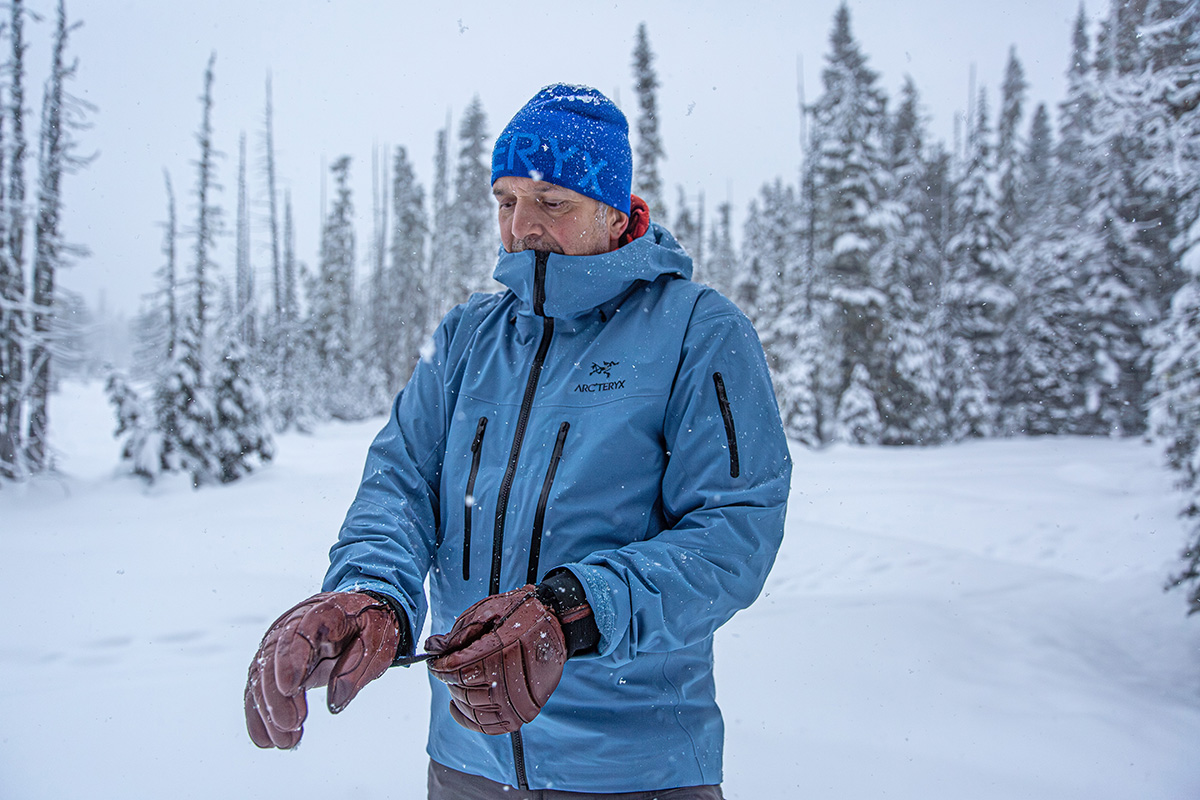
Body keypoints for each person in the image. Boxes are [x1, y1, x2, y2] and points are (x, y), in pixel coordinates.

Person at [244, 83, 791, 799]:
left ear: (614, 209)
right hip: (467, 764)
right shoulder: (469, 338)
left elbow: (734, 534)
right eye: (506, 201)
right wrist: (370, 593)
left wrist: (573, 610)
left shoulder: (697, 331)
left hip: (635, 771)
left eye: (551, 203)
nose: (521, 227)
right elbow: (399, 489)